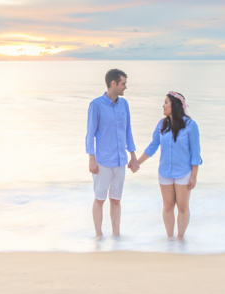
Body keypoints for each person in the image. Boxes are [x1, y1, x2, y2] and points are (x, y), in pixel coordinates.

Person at [137, 91, 202, 239]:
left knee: (182, 206)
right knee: (167, 206)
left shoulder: (191, 126)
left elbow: (195, 153)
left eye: (166, 102)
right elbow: (153, 146)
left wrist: (194, 176)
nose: (163, 105)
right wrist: (137, 162)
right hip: (165, 172)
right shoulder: (161, 124)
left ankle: (180, 238)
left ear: (175, 105)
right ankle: (170, 239)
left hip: (184, 172)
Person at [86, 68, 139, 239]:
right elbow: (90, 134)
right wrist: (91, 159)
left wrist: (133, 156)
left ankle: (116, 236)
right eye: (123, 84)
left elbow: (128, 131)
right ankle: (99, 236)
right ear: (113, 84)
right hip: (102, 161)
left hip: (120, 161)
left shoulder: (124, 104)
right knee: (100, 199)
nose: (125, 87)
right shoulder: (96, 105)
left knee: (116, 200)